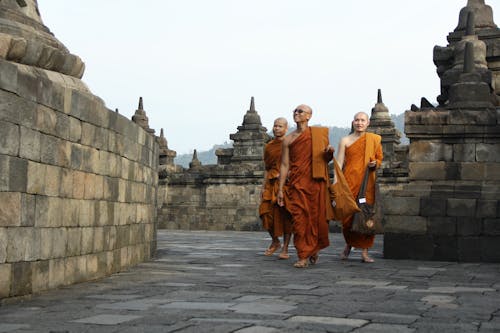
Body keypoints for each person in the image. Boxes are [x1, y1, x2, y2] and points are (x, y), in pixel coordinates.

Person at [277, 104, 334, 268]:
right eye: (294, 111)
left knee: (316, 219)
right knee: (299, 220)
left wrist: (329, 152)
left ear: (309, 116)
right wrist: (281, 189)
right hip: (297, 183)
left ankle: (314, 248)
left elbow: (324, 158)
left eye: (300, 111)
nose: (296, 113)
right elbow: (284, 164)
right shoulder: (288, 139)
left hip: (316, 183)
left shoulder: (318, 134)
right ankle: (302, 255)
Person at [336, 112, 383, 263]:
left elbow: (379, 158)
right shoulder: (345, 140)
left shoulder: (374, 139)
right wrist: (336, 185)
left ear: (368, 123)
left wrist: (375, 163)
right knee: (348, 218)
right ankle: (348, 245)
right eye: (357, 120)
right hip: (349, 183)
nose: (359, 123)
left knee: (367, 216)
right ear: (353, 122)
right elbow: (338, 164)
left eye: (363, 120)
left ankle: (364, 251)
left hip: (367, 182)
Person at [259, 117, 293, 259]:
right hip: (271, 181)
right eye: (275, 126)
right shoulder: (269, 146)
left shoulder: (291, 143)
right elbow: (267, 167)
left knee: (286, 216)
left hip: (287, 183)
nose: (276, 129)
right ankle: (275, 241)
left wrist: (287, 174)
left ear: (286, 128)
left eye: (280, 126)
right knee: (265, 212)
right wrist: (263, 185)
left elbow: (295, 164)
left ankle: (285, 248)